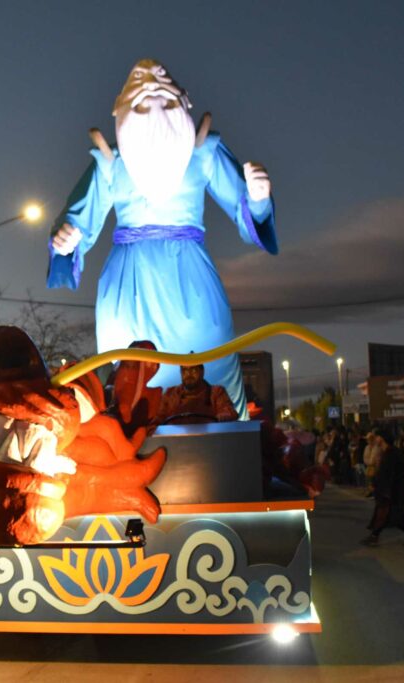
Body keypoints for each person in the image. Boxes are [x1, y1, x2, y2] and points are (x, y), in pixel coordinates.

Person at [47, 59, 277, 420]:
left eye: (166, 104)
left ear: (183, 105)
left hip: (190, 280)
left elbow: (248, 213)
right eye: (141, 106)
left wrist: (259, 199)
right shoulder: (110, 163)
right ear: (121, 113)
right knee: (129, 374)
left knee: (208, 358)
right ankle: (125, 447)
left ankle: (222, 447)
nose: (154, 111)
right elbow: (78, 220)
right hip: (127, 283)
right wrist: (66, 241)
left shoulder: (205, 153)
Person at [361, 429, 404, 546]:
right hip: (388, 491)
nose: (375, 439)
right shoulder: (387, 452)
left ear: (382, 438)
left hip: (392, 491)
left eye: (377, 437)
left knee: (393, 516)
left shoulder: (392, 454)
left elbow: (389, 474)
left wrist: (383, 488)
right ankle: (374, 536)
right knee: (384, 515)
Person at [155, 362, 238, 425]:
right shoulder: (170, 393)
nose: (188, 374)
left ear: (202, 372)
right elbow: (157, 418)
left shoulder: (216, 392)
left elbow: (228, 412)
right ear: (180, 373)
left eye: (193, 369)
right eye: (184, 370)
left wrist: (223, 416)